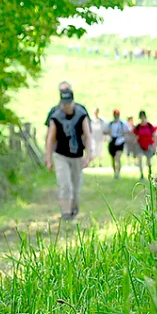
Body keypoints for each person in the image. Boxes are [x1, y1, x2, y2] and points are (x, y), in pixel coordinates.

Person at [45, 90, 92, 219]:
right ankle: (65, 213)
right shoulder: (55, 116)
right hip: (61, 155)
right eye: (64, 104)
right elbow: (50, 138)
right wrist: (48, 158)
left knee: (76, 186)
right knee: (65, 184)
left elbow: (87, 136)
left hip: (77, 155)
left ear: (73, 102)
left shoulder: (81, 114)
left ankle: (74, 210)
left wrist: (88, 155)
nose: (66, 106)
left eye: (68, 103)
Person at [134, 110, 157, 180]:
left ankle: (150, 173)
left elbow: (154, 135)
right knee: (140, 159)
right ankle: (141, 175)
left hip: (148, 145)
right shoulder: (138, 127)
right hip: (140, 144)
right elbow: (135, 135)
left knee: (148, 161)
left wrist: (154, 145)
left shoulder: (149, 126)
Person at [105, 109, 127, 179]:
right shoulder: (110, 124)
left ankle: (118, 173)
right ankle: (115, 173)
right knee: (113, 159)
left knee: (118, 157)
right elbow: (105, 131)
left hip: (120, 141)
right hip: (112, 141)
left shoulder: (122, 124)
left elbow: (127, 131)